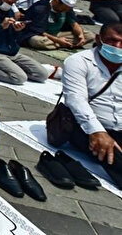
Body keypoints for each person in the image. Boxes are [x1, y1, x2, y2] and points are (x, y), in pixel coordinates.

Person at [60, 22, 122, 189]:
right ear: (98, 39)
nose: (117, 47)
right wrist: (97, 131)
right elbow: (76, 99)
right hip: (87, 127)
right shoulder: (78, 61)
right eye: (112, 40)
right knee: (115, 160)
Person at [20, 0, 95, 51]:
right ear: (57, 2)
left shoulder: (67, 9)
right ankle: (64, 44)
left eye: (67, 10)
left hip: (58, 34)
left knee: (89, 36)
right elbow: (37, 30)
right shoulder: (40, 8)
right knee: (39, 41)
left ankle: (60, 44)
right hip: (41, 35)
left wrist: (80, 35)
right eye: (63, 9)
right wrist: (58, 40)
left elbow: (74, 24)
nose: (64, 11)